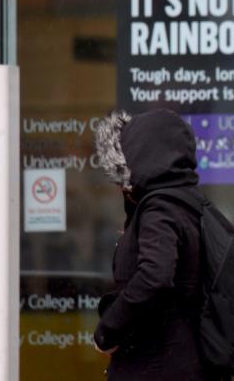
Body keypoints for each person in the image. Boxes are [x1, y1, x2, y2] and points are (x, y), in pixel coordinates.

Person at [92, 109, 225, 381]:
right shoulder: (186, 202)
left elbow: (155, 276)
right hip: (183, 359)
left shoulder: (160, 207)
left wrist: (109, 329)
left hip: (159, 363)